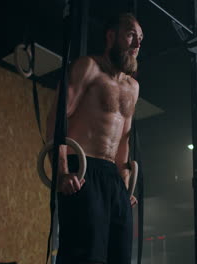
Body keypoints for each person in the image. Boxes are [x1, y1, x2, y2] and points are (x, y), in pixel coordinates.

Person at [46, 13, 143, 264]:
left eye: (140, 39)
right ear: (111, 36)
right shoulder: (88, 67)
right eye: (131, 35)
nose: (137, 45)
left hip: (113, 178)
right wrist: (61, 172)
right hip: (84, 170)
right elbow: (57, 120)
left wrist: (123, 187)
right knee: (85, 257)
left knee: (119, 258)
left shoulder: (133, 88)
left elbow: (124, 141)